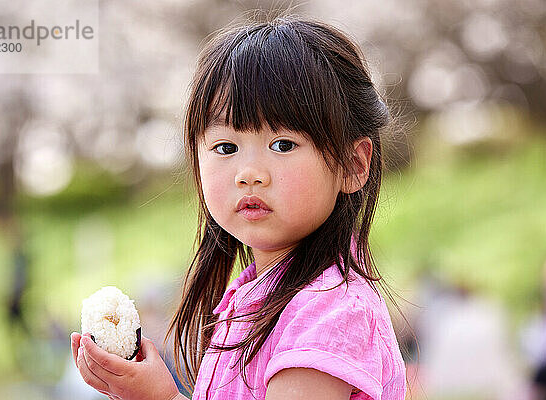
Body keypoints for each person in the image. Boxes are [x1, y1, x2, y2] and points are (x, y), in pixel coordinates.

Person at [71, 16, 408, 400]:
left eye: (282, 144)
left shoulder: (330, 311)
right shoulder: (255, 295)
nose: (249, 174)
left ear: (353, 164)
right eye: (226, 148)